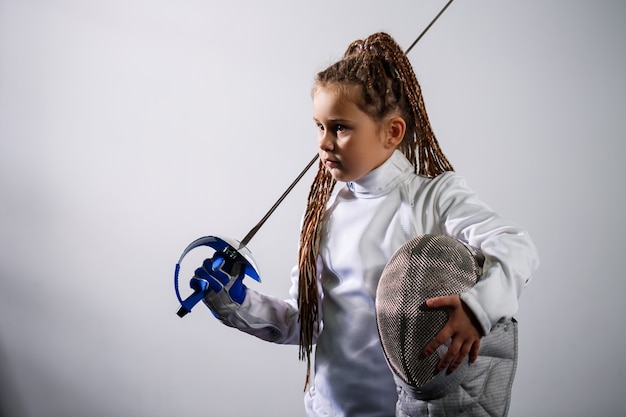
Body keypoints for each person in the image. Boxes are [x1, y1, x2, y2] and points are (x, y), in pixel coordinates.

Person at [195, 32, 539, 416]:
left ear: (391, 132)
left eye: (340, 127)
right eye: (319, 127)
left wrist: (478, 308)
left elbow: (515, 245)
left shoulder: (433, 198)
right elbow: (302, 323)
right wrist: (236, 300)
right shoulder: (325, 214)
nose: (324, 143)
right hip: (329, 409)